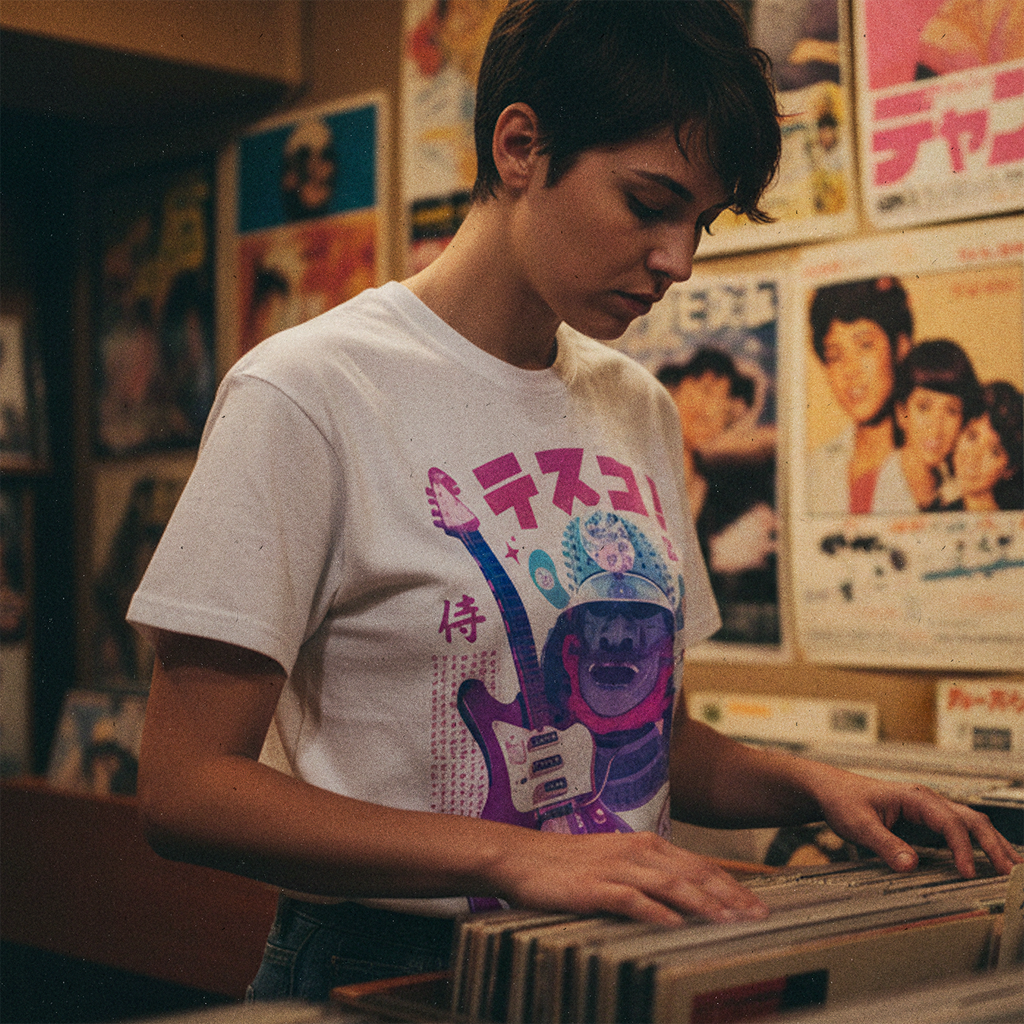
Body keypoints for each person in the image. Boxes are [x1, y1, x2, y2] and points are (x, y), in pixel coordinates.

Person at [128, 0, 1020, 1005]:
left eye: (701, 222)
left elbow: (649, 740)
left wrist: (811, 782)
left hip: (611, 960)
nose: (678, 261)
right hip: (391, 964)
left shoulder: (632, 401)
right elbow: (186, 787)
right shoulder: (308, 391)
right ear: (520, 144)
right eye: (649, 203)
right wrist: (508, 856)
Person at [656, 349, 779, 643]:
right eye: (702, 389)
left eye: (722, 401)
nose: (709, 407)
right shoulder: (635, 482)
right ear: (671, 392)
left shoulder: (729, 500)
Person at [806, 276, 913, 516]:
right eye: (835, 356)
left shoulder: (934, 460)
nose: (850, 371)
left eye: (865, 345)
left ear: (901, 347)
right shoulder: (813, 468)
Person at [874, 339, 983, 513]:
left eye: (951, 411)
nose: (936, 427)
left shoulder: (960, 489)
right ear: (902, 414)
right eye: (924, 407)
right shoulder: (871, 488)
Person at [944, 380, 1024, 511]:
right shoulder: (937, 514)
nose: (974, 456)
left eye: (994, 451)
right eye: (972, 436)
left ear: (1009, 469)